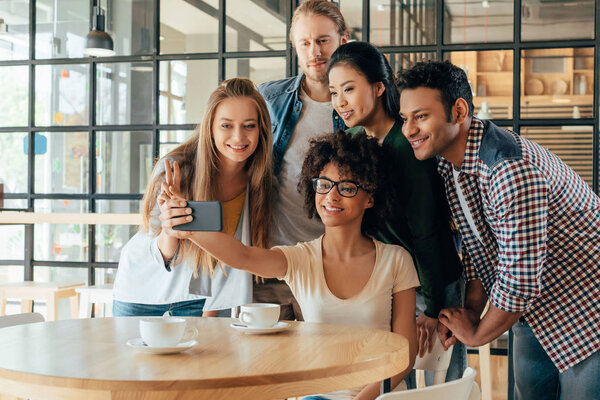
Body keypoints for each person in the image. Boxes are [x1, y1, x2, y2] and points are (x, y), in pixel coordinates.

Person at [161, 131, 419, 400]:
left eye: (347, 187)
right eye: (324, 184)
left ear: (370, 197)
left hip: (380, 397)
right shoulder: (301, 260)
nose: (332, 196)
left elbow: (405, 354)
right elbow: (243, 256)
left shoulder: (396, 260)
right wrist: (187, 227)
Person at [397, 60, 600, 399]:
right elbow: (480, 249)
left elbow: (519, 283)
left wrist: (476, 336)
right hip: (534, 312)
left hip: (586, 312)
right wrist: (472, 312)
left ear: (459, 111)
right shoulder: (452, 163)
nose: (409, 130)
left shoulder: (508, 169)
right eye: (405, 118)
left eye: (421, 116)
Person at [327, 41, 465, 384]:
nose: (340, 101)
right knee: (389, 380)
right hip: (390, 283)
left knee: (439, 384)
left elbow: (427, 231)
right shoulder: (353, 138)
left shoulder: (407, 145)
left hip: (431, 283)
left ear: (378, 87)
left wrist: (433, 309)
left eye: (349, 89)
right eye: (333, 92)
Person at [112, 78, 273, 317]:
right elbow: (161, 253)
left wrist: (211, 312)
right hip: (144, 292)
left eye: (249, 125)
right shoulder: (176, 168)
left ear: (261, 129)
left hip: (202, 301)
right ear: (210, 127)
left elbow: (231, 259)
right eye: (226, 126)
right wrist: (170, 231)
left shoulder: (260, 182)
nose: (238, 137)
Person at [256, 0, 349, 321]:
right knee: (269, 368)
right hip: (274, 265)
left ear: (343, 40)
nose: (315, 52)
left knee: (332, 367)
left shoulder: (362, 109)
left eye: (323, 40)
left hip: (335, 270)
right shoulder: (269, 100)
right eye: (305, 43)